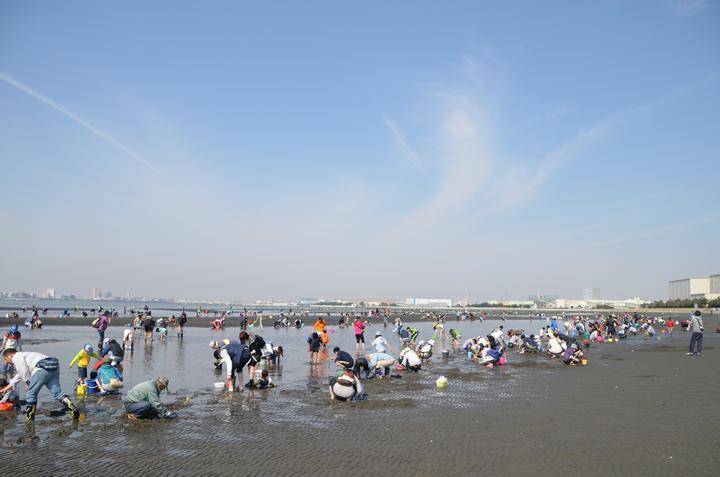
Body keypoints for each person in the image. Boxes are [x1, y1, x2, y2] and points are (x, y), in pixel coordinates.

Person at [1, 348, 79, 421]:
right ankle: (73, 408)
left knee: (31, 394)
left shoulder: (16, 357)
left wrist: (28, 384)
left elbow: (23, 372)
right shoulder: (28, 355)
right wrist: (5, 388)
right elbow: (19, 375)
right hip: (53, 366)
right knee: (58, 393)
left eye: (5, 359)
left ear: (10, 355)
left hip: (41, 369)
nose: (6, 362)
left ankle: (30, 418)